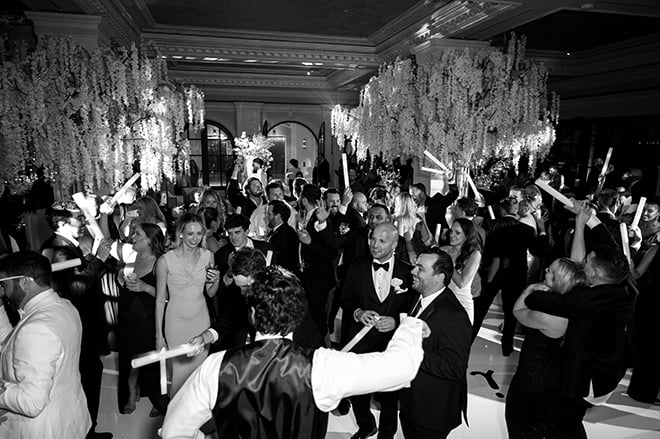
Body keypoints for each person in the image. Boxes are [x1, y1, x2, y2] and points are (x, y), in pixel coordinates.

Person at [161, 266, 425, 439]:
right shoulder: (323, 366)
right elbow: (402, 368)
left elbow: (173, 432)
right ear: (299, 316)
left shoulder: (216, 366)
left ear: (252, 314)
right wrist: (412, 325)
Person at [524, 202, 635, 438]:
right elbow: (609, 246)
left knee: (567, 423)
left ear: (594, 274)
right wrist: (586, 221)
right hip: (610, 370)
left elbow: (537, 301)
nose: (583, 263)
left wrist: (534, 291)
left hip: (588, 380)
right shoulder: (624, 287)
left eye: (588, 263)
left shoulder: (583, 301)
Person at [40, 201, 113, 439]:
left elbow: (74, 274)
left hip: (81, 323)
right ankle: (86, 433)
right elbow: (77, 287)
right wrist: (99, 259)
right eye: (78, 218)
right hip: (79, 326)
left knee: (88, 376)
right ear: (61, 222)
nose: (83, 222)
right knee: (87, 378)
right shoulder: (58, 250)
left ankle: (88, 429)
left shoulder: (63, 247)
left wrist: (92, 258)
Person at [0, 251, 91, 438]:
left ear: (24, 282)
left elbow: (31, 402)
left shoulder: (36, 328)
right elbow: (12, 343)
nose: (3, 292)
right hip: (68, 418)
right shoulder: (64, 306)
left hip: (42, 429)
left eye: (5, 284)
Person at [340, 222, 414, 439]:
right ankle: (366, 426)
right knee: (358, 390)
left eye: (382, 241)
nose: (374, 244)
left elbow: (414, 307)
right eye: (373, 239)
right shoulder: (357, 265)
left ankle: (387, 434)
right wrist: (358, 312)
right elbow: (345, 297)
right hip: (361, 342)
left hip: (391, 345)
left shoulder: (407, 271)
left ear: (395, 243)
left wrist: (396, 321)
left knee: (389, 395)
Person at [507, 258, 586, 439]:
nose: (546, 270)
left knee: (521, 423)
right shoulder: (573, 307)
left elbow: (517, 311)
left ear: (560, 280)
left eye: (551, 271)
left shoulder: (549, 315)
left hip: (533, 377)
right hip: (553, 376)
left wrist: (528, 290)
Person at [399, 248, 472, 439]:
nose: (413, 271)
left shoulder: (454, 316)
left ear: (439, 277)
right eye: (416, 266)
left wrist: (411, 352)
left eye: (420, 269)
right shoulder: (419, 297)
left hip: (431, 413)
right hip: (411, 403)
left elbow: (454, 367)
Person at [155, 213, 220, 396]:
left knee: (199, 375)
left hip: (201, 321)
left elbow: (210, 292)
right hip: (175, 322)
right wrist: (159, 335)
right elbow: (160, 299)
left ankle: (197, 418)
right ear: (181, 233)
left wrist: (216, 279)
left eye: (199, 233)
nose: (195, 238)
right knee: (180, 375)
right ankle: (176, 417)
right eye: (190, 233)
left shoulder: (209, 257)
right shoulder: (165, 260)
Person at [116, 222, 166, 415]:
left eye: (137, 234)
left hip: (148, 319)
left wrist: (145, 288)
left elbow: (168, 295)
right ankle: (131, 392)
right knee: (129, 358)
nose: (132, 237)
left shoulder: (160, 262)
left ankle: (156, 397)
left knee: (150, 361)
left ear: (150, 241)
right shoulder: (131, 256)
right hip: (127, 317)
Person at [213, 214, 274, 349]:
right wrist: (229, 270)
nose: (233, 237)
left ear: (246, 231)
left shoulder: (266, 248)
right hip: (237, 312)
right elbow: (221, 290)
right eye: (230, 233)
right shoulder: (222, 254)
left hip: (265, 308)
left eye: (237, 232)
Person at [439, 217, 482, 324]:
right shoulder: (444, 250)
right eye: (451, 231)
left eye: (457, 233)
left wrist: (448, 261)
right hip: (441, 302)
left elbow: (462, 283)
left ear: (467, 235)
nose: (452, 235)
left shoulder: (474, 254)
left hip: (461, 304)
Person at [393, 192, 434, 262]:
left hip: (404, 256)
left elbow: (399, 240)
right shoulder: (418, 218)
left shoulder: (399, 220)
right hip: (418, 254)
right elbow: (427, 238)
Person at [266, 200, 300, 273]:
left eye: (269, 214)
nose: (266, 217)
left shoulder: (283, 234)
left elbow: (280, 260)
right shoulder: (280, 231)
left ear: (277, 216)